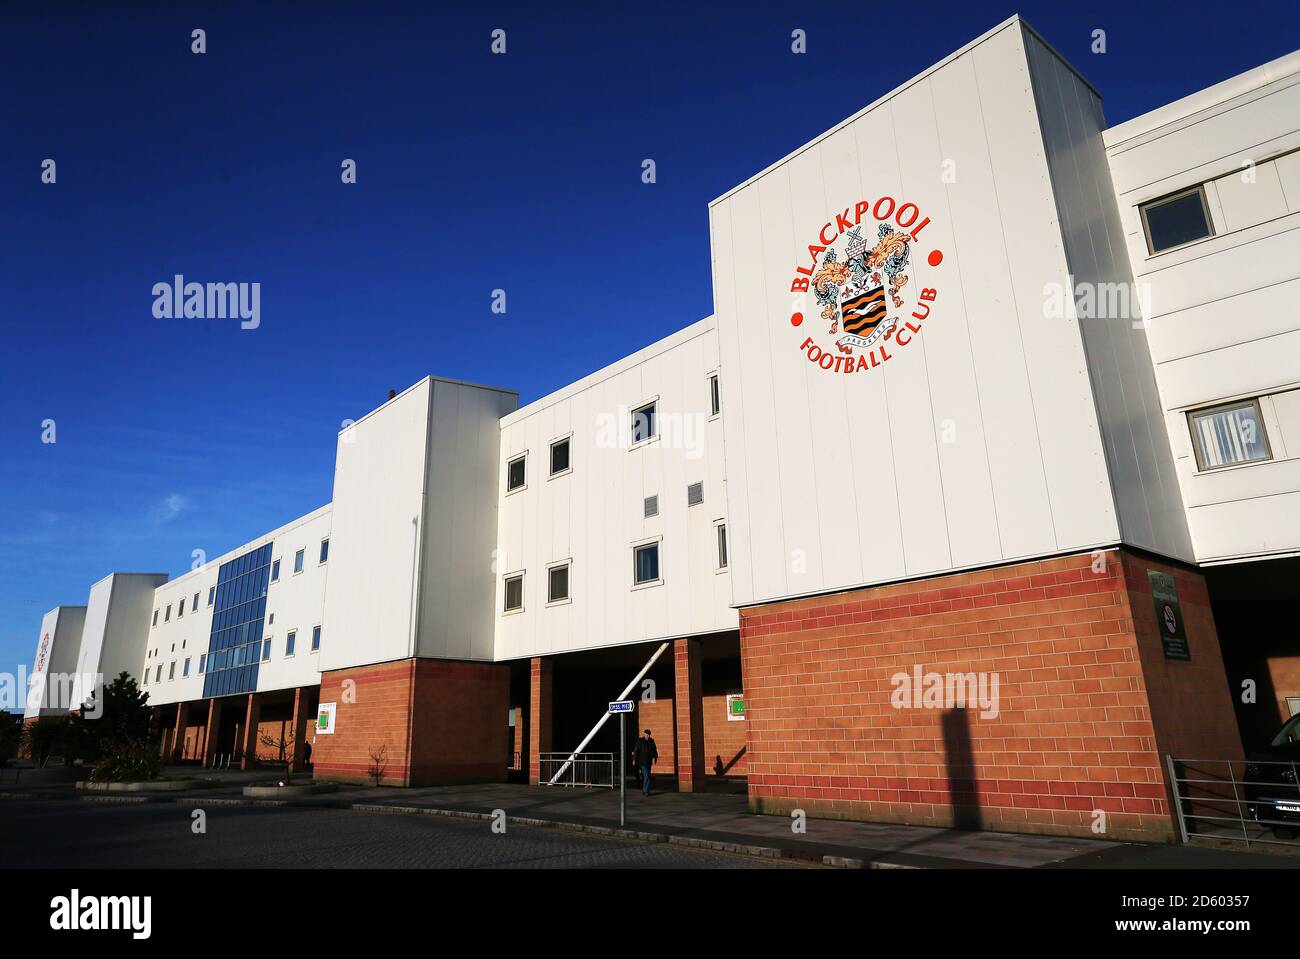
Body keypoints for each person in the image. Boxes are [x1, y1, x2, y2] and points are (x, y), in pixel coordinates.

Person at [633, 728, 658, 796]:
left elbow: (654, 750)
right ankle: (645, 791)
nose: (648, 736)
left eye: (649, 735)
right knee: (647, 776)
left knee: (647, 777)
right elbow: (636, 750)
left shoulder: (651, 741)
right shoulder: (640, 741)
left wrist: (654, 758)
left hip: (648, 762)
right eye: (647, 735)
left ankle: (645, 790)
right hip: (642, 762)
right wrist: (634, 759)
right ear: (644, 734)